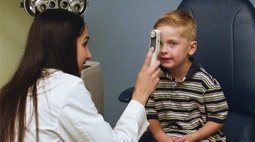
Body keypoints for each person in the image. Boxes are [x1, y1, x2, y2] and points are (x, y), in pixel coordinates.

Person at [0, 9, 161, 142]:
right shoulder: (65, 88)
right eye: (84, 43)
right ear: (65, 46)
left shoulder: (14, 91)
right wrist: (140, 95)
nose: (89, 54)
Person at [145, 10, 229, 142]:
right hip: (166, 137)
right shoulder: (154, 79)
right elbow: (150, 113)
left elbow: (218, 117)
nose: (164, 50)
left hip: (199, 136)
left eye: (172, 43)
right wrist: (161, 136)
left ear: (191, 48)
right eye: (160, 43)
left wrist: (193, 137)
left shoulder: (205, 82)